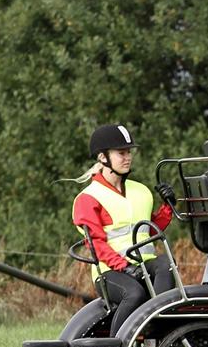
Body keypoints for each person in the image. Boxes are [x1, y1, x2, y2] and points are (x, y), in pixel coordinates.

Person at [71, 124, 177, 335]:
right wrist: (123, 266)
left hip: (143, 265)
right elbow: (96, 244)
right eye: (121, 153)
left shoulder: (141, 191)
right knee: (134, 294)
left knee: (166, 264)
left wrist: (168, 206)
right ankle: (116, 346)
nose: (128, 157)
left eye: (129, 152)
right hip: (110, 273)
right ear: (102, 157)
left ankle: (159, 331)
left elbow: (150, 230)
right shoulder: (88, 198)